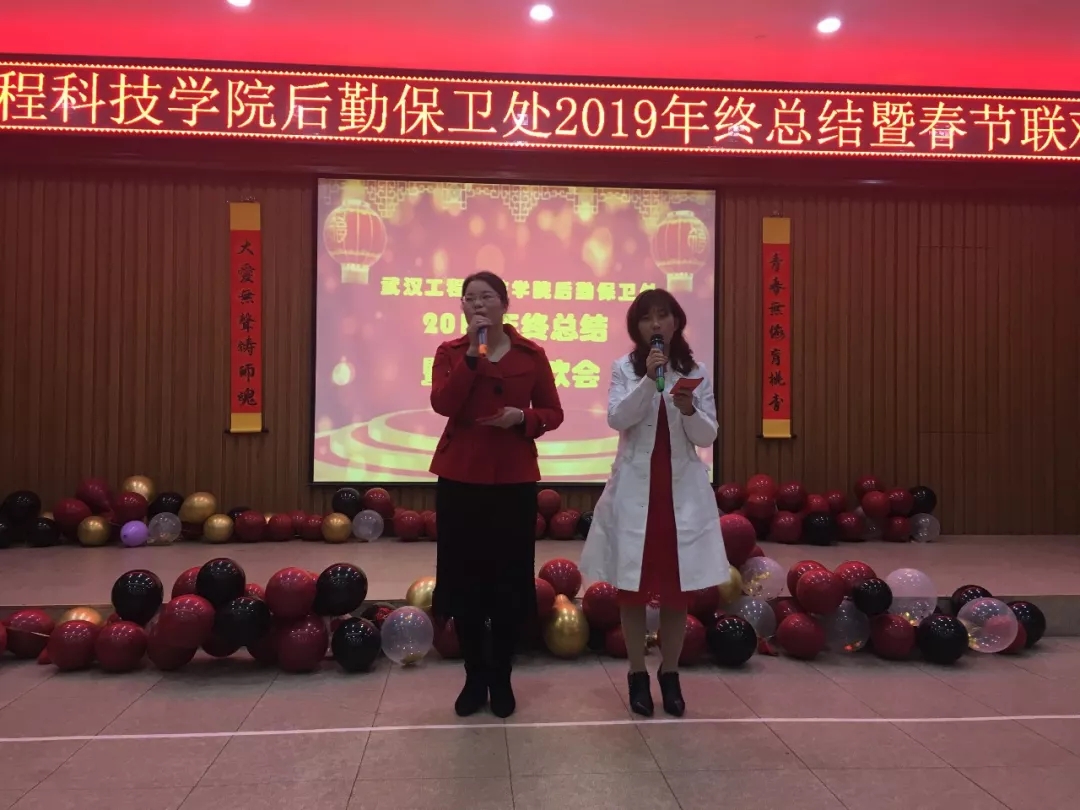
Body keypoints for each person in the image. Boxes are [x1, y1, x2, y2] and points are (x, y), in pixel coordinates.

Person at [580, 288, 730, 717]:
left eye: (663, 316)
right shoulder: (624, 368)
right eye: (646, 318)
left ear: (676, 321)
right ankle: (636, 675)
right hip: (635, 495)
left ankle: (670, 673)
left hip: (679, 495)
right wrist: (649, 380)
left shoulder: (696, 371)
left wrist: (689, 409)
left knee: (676, 592)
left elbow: (707, 436)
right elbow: (618, 418)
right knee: (631, 590)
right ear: (637, 328)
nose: (656, 324)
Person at [429, 270, 564, 719]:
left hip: (512, 479)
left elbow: (554, 412)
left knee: (508, 582)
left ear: (505, 304)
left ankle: (502, 676)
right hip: (461, 478)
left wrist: (522, 419)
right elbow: (444, 404)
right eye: (469, 298)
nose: (477, 304)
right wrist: (473, 355)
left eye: (486, 296)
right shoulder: (451, 353)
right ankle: (474, 677)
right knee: (464, 581)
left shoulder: (532, 354)